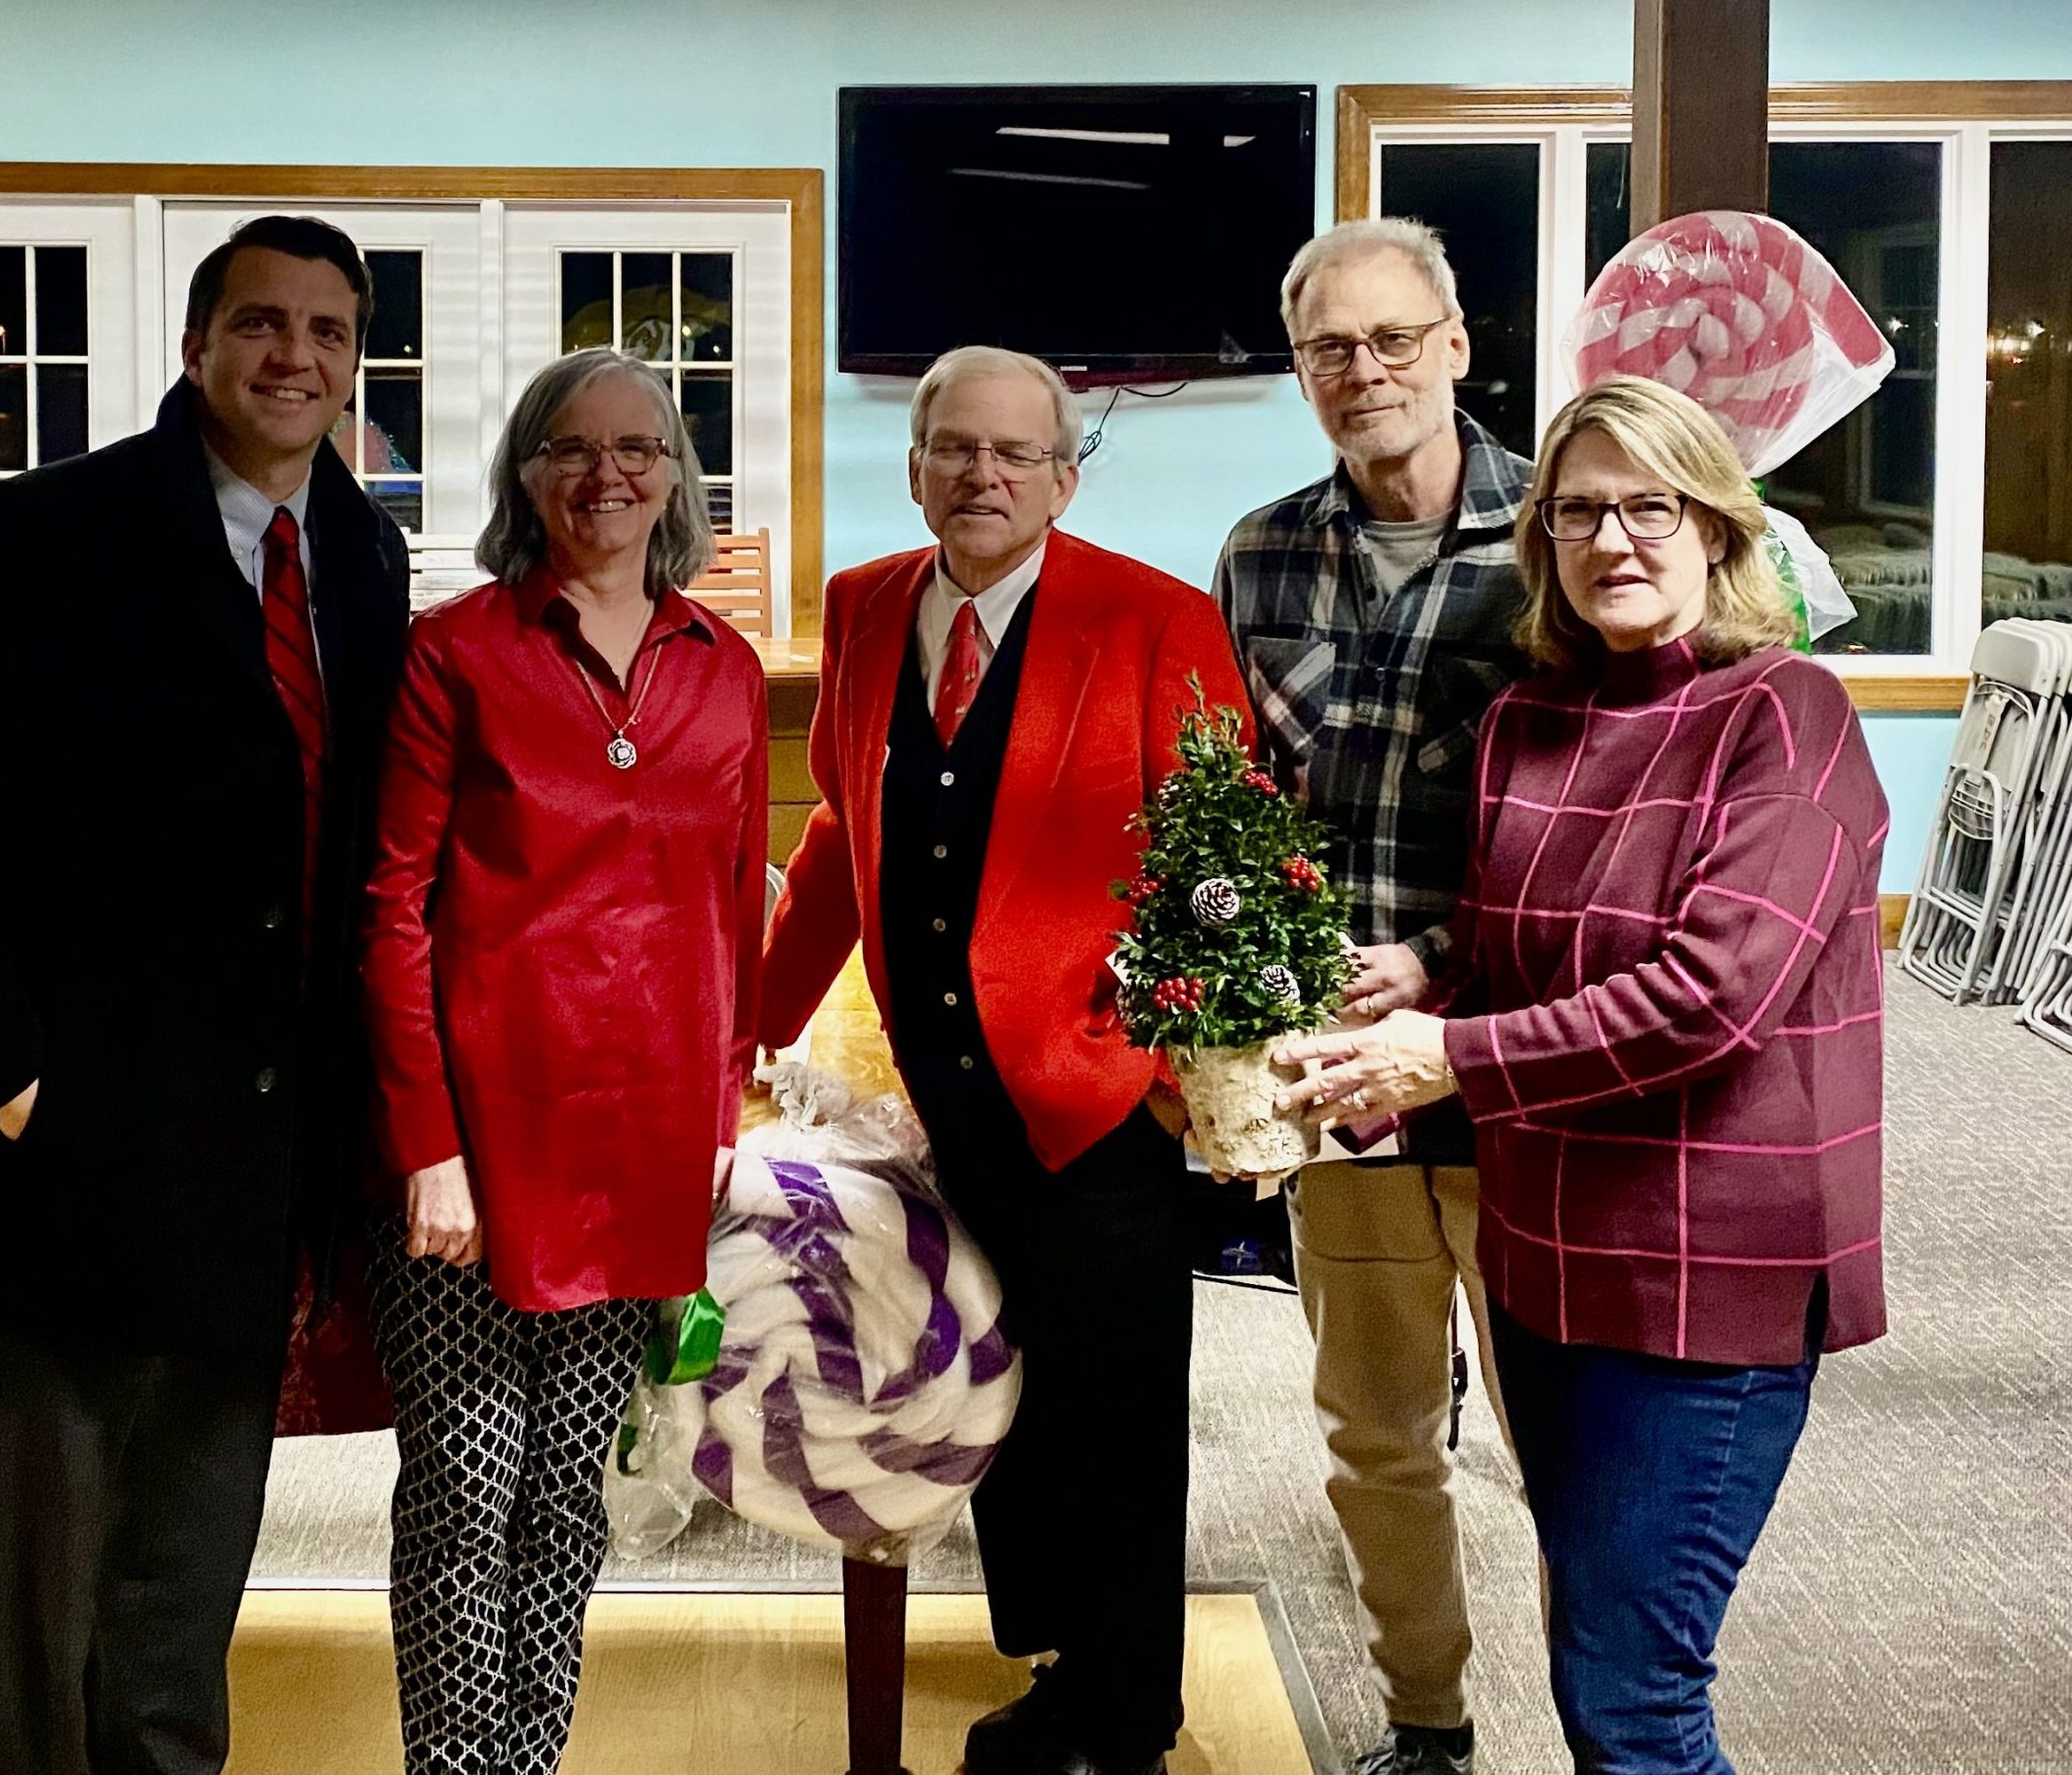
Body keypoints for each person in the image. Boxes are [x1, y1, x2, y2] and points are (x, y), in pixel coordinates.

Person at [0, 215, 409, 1775]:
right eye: (261, 324)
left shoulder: (360, 553)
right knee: (33, 1612)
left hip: (245, 1167)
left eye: (327, 332)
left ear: (356, 361)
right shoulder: (36, 540)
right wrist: (11, 1079)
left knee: (178, 1593)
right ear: (195, 344)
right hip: (61, 1163)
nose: (295, 357)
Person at [1278, 375, 1889, 1775]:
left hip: (1704, 1283)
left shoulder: (1785, 717)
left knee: (1636, 1697)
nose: (1615, 540)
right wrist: (1419, 999)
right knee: (1595, 1664)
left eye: (1651, 507)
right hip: (1547, 1262)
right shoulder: (1531, 724)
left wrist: (1450, 1054)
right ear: (1542, 539)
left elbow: (1710, 999)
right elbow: (1508, 956)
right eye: (1579, 511)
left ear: (1719, 531)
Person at [761, 345, 1249, 1775]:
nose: (984, 475)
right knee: (995, 1391)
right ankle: (1058, 1669)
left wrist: (1170, 1053)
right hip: (948, 1101)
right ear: (914, 467)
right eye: (954, 449)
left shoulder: (1153, 620)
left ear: (1064, 476)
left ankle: (1125, 1712)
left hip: (1102, 1100)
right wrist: (752, 1018)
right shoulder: (861, 614)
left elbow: (1228, 853)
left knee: (1116, 1415)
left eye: (1016, 455)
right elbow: (842, 849)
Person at [359, 346, 767, 1775]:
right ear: (526, 475)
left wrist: (721, 1111)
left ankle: (526, 1758)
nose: (609, 474)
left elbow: (735, 903)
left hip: (641, 1141)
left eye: (639, 447)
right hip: (470, 1149)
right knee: (465, 1491)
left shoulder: (723, 670)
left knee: (567, 1498)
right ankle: (453, 1766)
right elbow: (389, 906)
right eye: (573, 448)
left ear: (676, 475)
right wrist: (424, 1143)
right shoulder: (455, 650)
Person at [1211, 218, 1531, 1775]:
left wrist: (1446, 959)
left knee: (1565, 1436)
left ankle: (1631, 1720)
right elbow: (1246, 805)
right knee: (1376, 1430)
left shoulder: (1568, 530)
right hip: (1338, 1077)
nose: (1367, 371)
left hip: (1514, 1069)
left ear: (1458, 345)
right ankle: (1426, 1721)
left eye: (1396, 339)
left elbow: (1609, 824)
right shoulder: (1261, 553)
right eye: (1333, 347)